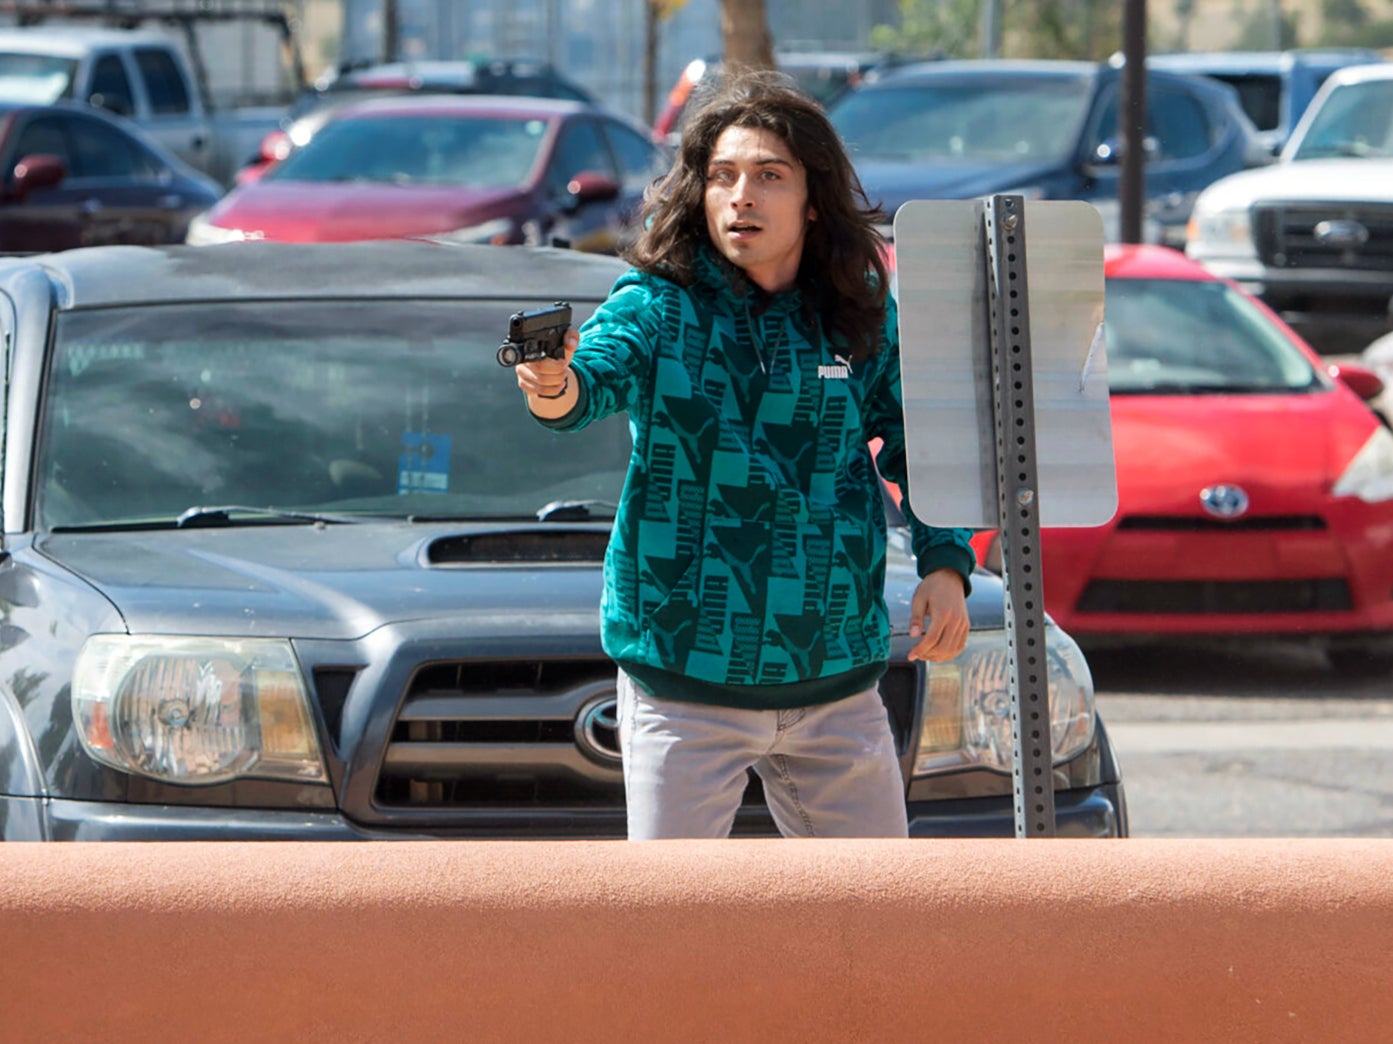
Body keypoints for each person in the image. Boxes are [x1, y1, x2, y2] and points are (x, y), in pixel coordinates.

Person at [514, 69, 974, 840]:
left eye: (768, 176)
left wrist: (945, 561)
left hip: (836, 679)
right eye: (722, 176)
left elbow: (913, 440)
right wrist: (550, 381)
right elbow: (583, 390)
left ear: (812, 198)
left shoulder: (856, 306)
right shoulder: (656, 305)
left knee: (875, 927)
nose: (741, 196)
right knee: (672, 929)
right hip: (682, 681)